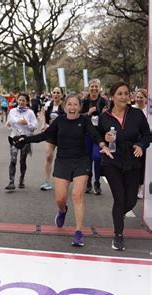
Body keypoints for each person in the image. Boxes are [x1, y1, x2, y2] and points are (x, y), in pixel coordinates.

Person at [11, 93, 112, 247]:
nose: (72, 107)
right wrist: (26, 138)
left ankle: (78, 232)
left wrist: (103, 145)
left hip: (81, 161)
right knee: (60, 198)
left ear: (79, 107)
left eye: (75, 104)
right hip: (63, 161)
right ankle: (63, 210)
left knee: (77, 195)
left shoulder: (84, 121)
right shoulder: (59, 121)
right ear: (65, 107)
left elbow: (95, 135)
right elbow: (45, 135)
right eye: (69, 104)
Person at [98, 82, 151, 251]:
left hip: (132, 160)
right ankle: (118, 235)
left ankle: (117, 215)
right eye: (119, 94)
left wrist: (141, 145)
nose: (123, 97)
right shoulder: (104, 116)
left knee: (131, 200)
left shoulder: (136, 114)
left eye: (126, 93)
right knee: (119, 198)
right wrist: (104, 140)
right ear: (112, 96)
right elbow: (98, 136)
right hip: (112, 161)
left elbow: (148, 135)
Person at [5, 92, 38, 190]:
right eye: (19, 100)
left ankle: (21, 180)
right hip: (14, 138)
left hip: (25, 139)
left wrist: (27, 123)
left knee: (22, 160)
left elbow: (35, 126)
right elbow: (10, 121)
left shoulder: (30, 113)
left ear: (27, 101)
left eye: (23, 100)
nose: (21, 102)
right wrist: (17, 121)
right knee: (13, 159)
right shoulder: (12, 111)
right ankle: (11, 182)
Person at [81, 79, 108, 195]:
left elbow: (109, 116)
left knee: (96, 157)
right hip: (86, 134)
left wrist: (104, 114)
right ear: (89, 88)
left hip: (99, 135)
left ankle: (97, 182)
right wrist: (88, 113)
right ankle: (88, 183)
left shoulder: (104, 101)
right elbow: (77, 115)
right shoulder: (84, 101)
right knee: (88, 159)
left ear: (99, 88)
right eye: (92, 86)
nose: (94, 89)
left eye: (96, 87)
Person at [39, 86, 65, 191]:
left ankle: (63, 179)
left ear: (62, 95)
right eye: (54, 92)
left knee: (63, 158)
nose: (56, 94)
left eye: (58, 93)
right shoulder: (48, 105)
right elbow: (43, 114)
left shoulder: (65, 106)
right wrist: (43, 124)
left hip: (63, 135)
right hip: (51, 133)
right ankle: (47, 181)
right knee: (49, 156)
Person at [132, 88, 148, 199]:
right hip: (132, 141)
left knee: (142, 166)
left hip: (144, 142)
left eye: (141, 97)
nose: (138, 99)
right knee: (133, 166)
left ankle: (141, 187)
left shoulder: (148, 111)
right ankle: (134, 186)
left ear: (146, 99)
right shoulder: (131, 109)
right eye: (137, 97)